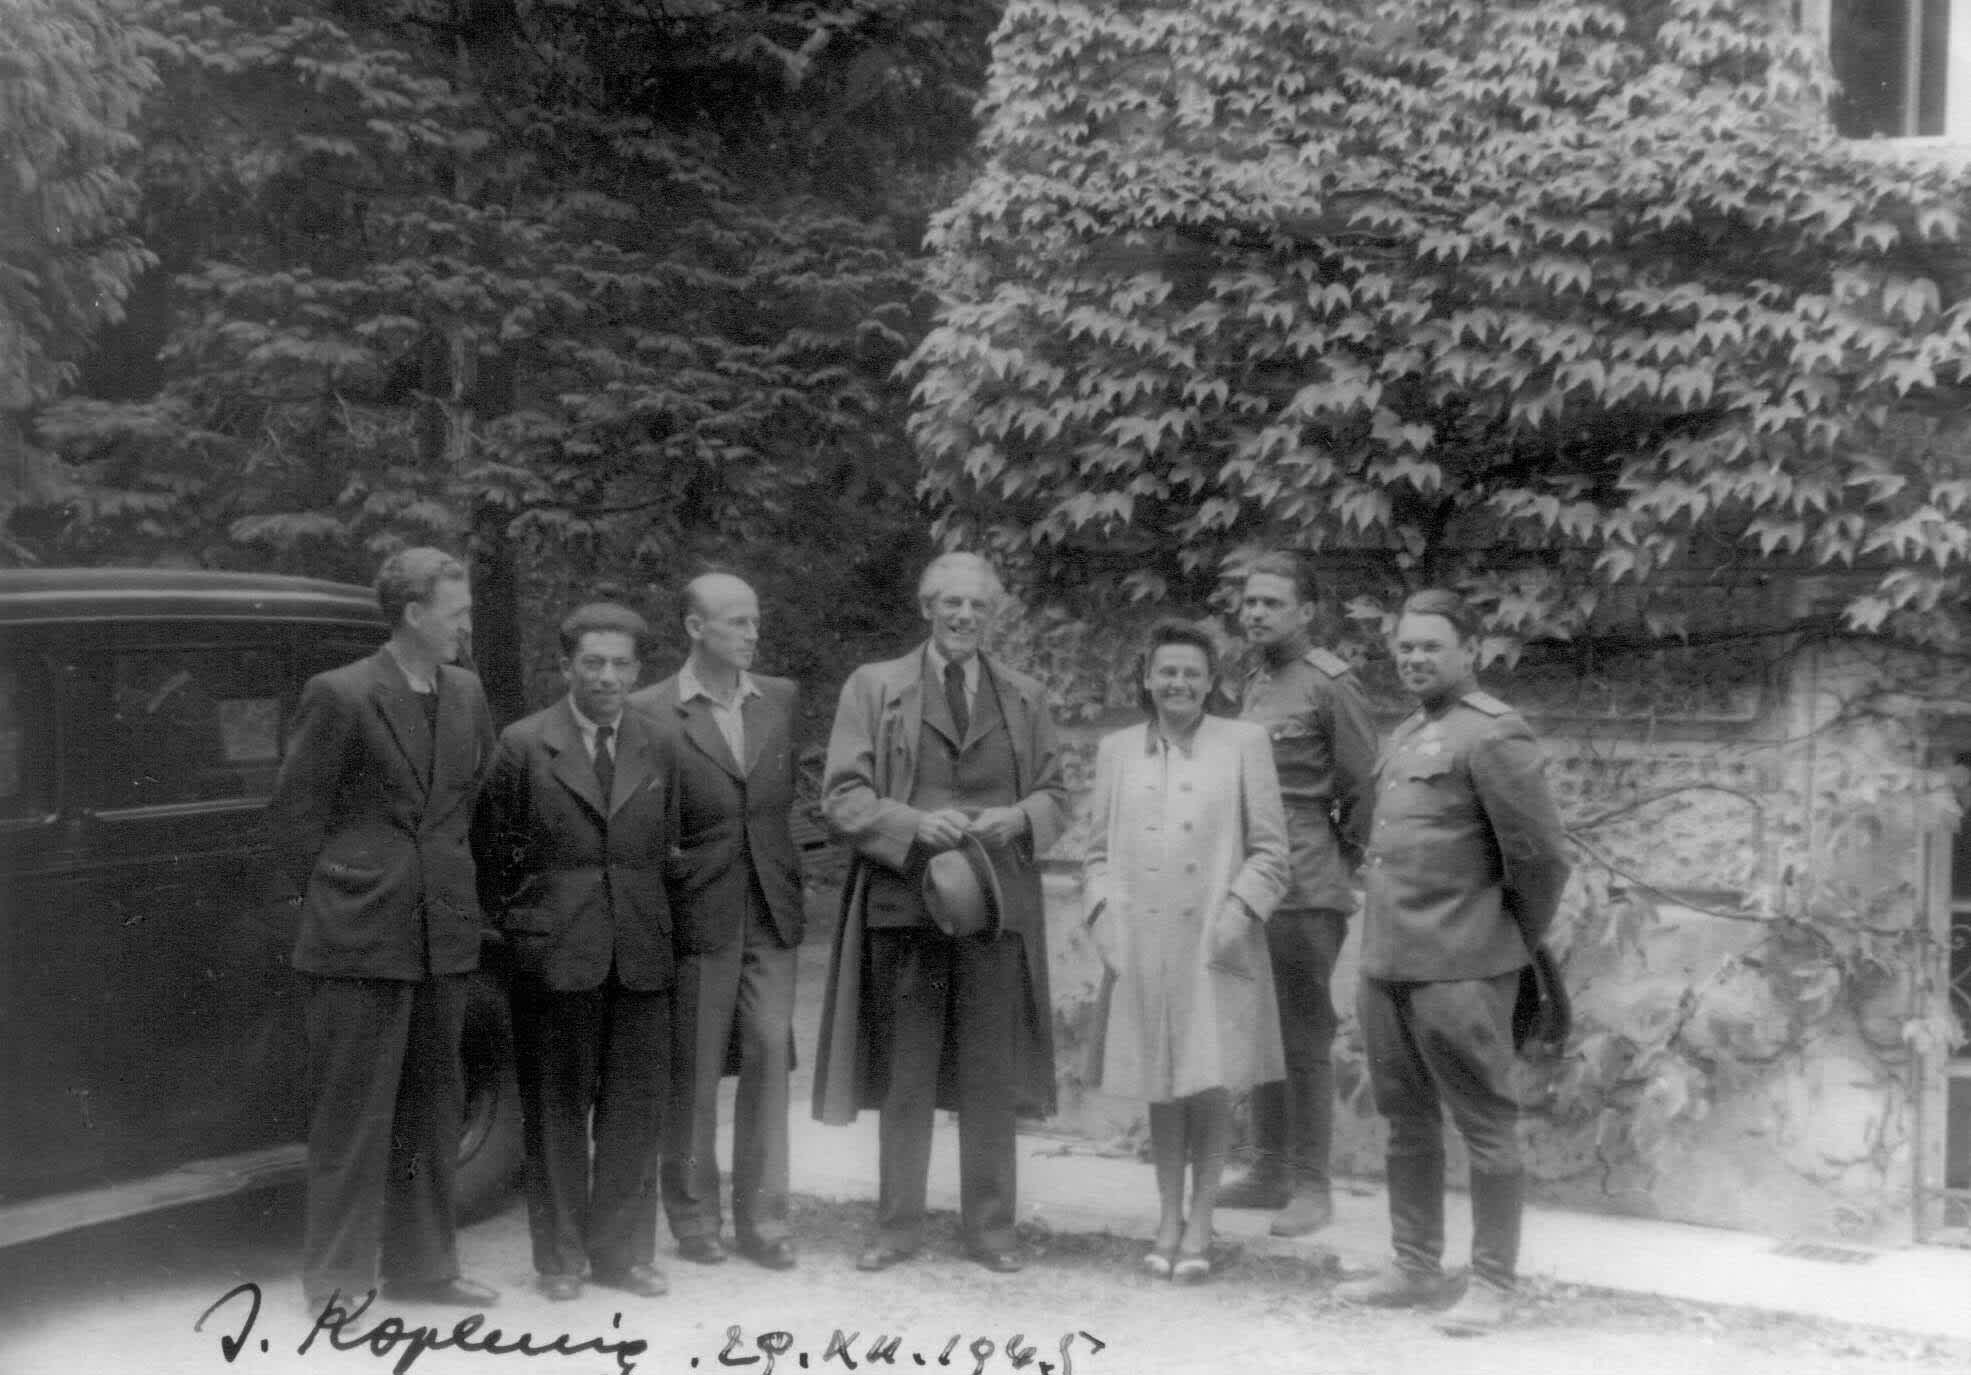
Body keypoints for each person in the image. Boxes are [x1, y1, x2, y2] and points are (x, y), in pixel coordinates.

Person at [812, 551, 1067, 1274]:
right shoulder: (875, 686)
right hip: (906, 903)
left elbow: (1055, 795)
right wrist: (909, 823)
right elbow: (842, 794)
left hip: (992, 907)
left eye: (977, 608)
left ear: (994, 616)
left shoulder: (1025, 696)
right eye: (950, 604)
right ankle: (896, 1227)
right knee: (906, 1073)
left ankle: (990, 1229)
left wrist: (1017, 818)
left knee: (988, 1071)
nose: (963, 618)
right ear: (926, 608)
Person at [266, 547, 498, 1312]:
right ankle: (335, 1285)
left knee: (434, 1109)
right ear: (413, 615)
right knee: (353, 1121)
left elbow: (471, 805)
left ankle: (425, 1269)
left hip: (445, 932)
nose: (468, 624)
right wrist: (349, 893)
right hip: (360, 938)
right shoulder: (340, 694)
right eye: (457, 611)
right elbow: (296, 819)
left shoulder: (466, 691)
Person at [1336, 588, 1571, 1335]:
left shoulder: (1493, 734)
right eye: (1403, 647)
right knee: (1404, 1121)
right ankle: (1412, 1265)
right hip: (1387, 962)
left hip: (1462, 967)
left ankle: (1493, 1282)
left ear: (1468, 649)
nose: (1412, 659)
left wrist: (1499, 942)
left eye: (1428, 646)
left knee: (1485, 1127)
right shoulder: (1407, 733)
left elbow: (1539, 859)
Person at [472, 602, 677, 1303]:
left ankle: (621, 1254)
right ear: (566, 667)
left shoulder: (658, 743)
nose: (608, 677)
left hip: (641, 950)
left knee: (632, 1108)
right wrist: (530, 926)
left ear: (638, 671)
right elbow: (490, 854)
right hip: (555, 954)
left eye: (622, 664)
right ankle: (559, 1258)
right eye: (593, 662)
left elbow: (666, 846)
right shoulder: (524, 745)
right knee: (556, 1107)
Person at [1082, 619, 1290, 1283]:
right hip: (1139, 942)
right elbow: (1092, 853)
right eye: (1166, 671)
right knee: (1159, 1085)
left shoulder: (1243, 743)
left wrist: (1238, 911)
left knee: (1207, 1082)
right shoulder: (1117, 749)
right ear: (1147, 678)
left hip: (1213, 936)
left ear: (1209, 683)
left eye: (1191, 673)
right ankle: (1166, 1214)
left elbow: (1272, 851)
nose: (1178, 683)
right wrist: (1101, 916)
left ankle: (1202, 1218)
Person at [630, 573, 804, 1272]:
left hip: (770, 903)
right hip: (694, 908)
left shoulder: (780, 700)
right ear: (695, 628)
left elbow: (776, 800)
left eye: (755, 620)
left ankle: (764, 1221)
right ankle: (694, 1217)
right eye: (735, 621)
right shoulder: (651, 710)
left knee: (768, 1053)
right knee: (694, 1068)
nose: (751, 632)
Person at [1220, 553, 1376, 1236]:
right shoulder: (1253, 680)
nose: (1254, 612)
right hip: (1254, 878)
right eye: (1249, 601)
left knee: (1305, 1034)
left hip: (1308, 883)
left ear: (1306, 612)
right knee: (1260, 1026)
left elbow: (1365, 787)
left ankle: (1313, 1186)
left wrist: (1338, 860)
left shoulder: (1329, 684)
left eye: (1270, 603)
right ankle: (1267, 1169)